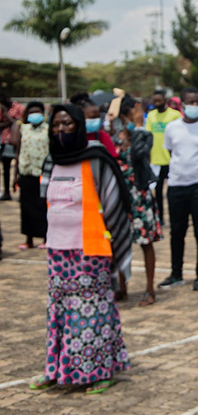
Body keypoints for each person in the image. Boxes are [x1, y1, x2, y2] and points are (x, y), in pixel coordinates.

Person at [29, 104, 133, 394]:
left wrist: (115, 247)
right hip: (57, 250)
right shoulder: (52, 161)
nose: (61, 130)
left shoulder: (96, 160)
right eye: (56, 126)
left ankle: (99, 371)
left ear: (78, 126)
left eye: (67, 125)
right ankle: (56, 368)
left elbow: (115, 204)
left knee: (90, 311)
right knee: (58, 310)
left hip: (91, 249)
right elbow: (44, 199)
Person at [158, 87, 198, 291]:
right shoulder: (172, 128)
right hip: (176, 184)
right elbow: (170, 151)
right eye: (190, 102)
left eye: (197, 102)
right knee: (177, 231)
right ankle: (176, 274)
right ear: (182, 104)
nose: (194, 106)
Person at [117, 96, 162, 307]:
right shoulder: (114, 135)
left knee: (146, 244)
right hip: (118, 197)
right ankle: (121, 287)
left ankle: (149, 289)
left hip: (140, 196)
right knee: (118, 244)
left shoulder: (144, 135)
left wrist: (136, 128)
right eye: (138, 110)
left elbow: (138, 155)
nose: (141, 114)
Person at [9, 102, 50, 249]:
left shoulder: (48, 129)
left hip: (43, 174)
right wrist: (15, 176)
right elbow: (17, 150)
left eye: (37, 111)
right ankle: (29, 239)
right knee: (27, 207)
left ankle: (46, 238)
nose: (35, 114)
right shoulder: (23, 128)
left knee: (43, 206)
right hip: (26, 172)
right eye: (31, 112)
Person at [145, 90, 182, 225]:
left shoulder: (175, 115)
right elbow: (148, 136)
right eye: (154, 101)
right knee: (158, 192)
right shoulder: (151, 116)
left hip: (172, 159)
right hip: (156, 159)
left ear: (165, 100)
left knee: (173, 192)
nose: (157, 104)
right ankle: (160, 217)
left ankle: (175, 217)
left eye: (159, 101)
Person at [0, 94, 23, 200]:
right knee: (6, 169)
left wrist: (6, 114)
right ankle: (7, 193)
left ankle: (21, 192)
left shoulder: (17, 107)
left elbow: (19, 123)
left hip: (18, 141)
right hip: (5, 142)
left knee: (20, 168)